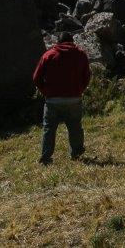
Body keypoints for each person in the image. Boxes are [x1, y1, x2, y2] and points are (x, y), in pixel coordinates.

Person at [32, 31, 92, 164]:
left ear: (57, 42)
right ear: (72, 42)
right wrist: (79, 90)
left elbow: (36, 78)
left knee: (49, 129)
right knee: (75, 126)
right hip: (74, 99)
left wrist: (45, 91)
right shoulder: (81, 55)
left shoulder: (48, 55)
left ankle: (46, 157)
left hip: (52, 100)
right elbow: (87, 77)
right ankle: (76, 153)